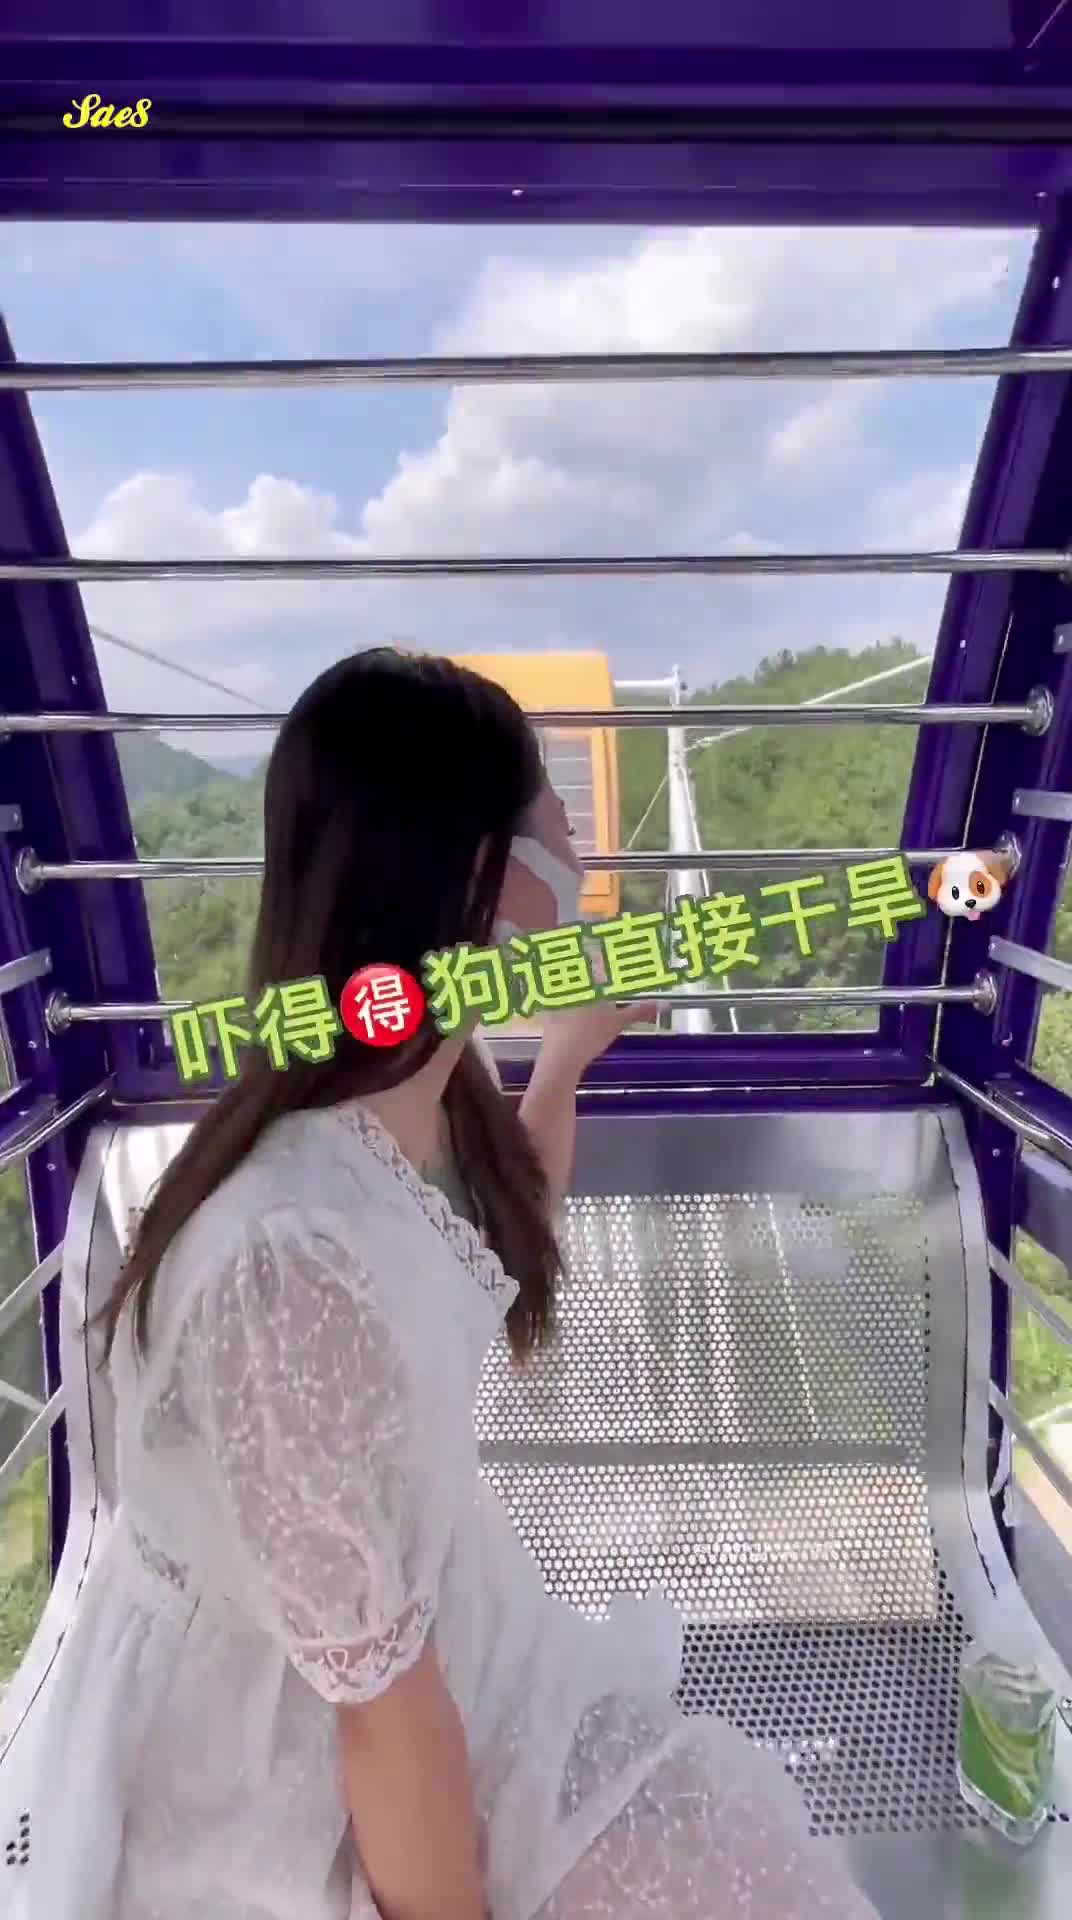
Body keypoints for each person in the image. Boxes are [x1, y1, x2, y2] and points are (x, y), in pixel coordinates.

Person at [4, 649, 880, 1920]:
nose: (580, 841)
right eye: (554, 811)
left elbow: (480, 1242)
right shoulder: (286, 1264)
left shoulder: (409, 1094)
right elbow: (380, 1715)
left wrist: (561, 1065)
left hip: (413, 1648)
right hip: (269, 1757)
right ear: (490, 871)